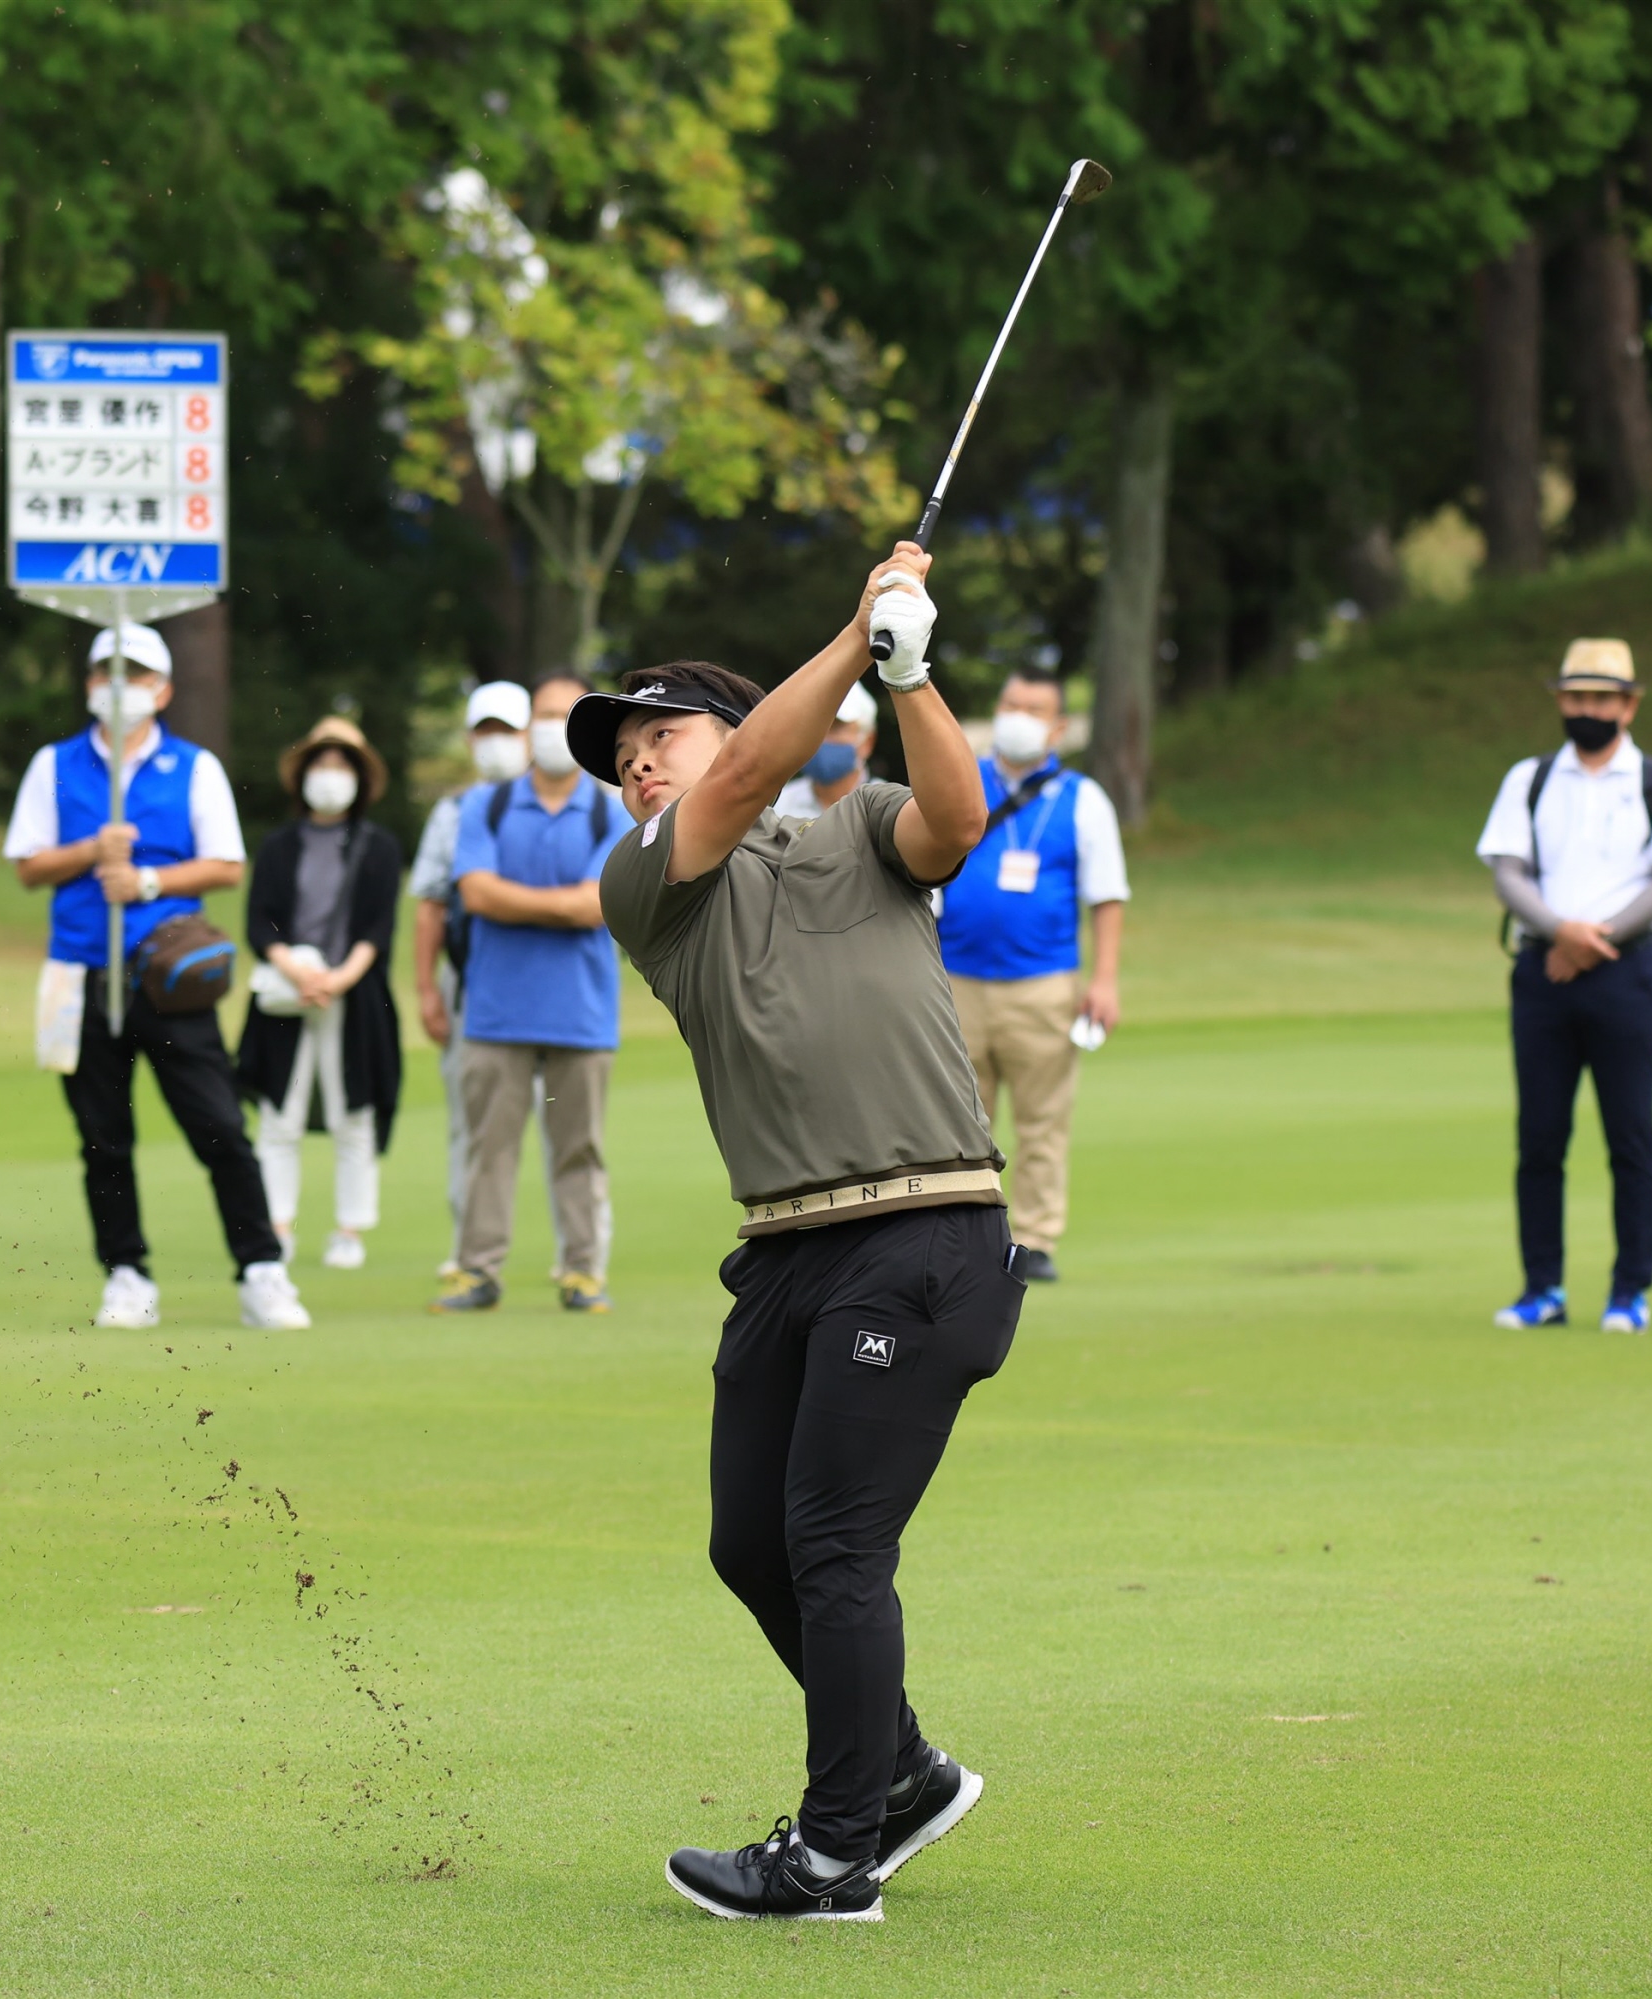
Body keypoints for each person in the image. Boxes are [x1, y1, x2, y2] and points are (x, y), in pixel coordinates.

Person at [573, 543, 1007, 1922]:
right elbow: (753, 772)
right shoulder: (644, 876)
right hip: (783, 1250)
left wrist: (911, 666)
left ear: (731, 718)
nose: (639, 764)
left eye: (664, 734)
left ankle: (833, 1853)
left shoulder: (857, 827)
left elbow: (956, 819)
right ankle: (900, 1774)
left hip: (926, 1228)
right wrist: (853, 630)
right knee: (748, 1544)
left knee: (830, 1542)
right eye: (623, 752)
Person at [5, 623, 309, 1333]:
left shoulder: (192, 766)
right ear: (87, 685)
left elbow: (225, 865)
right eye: (106, 672)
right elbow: (28, 866)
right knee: (103, 1135)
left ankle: (261, 1268)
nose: (120, 686)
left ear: (163, 689)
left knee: (218, 1126)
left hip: (169, 975)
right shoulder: (55, 765)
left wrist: (145, 878)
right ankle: (126, 1272)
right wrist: (90, 850)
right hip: (82, 971)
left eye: (136, 674)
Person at [1475, 638, 1652, 1335]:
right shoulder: (1532, 777)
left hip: (1625, 968)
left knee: (1629, 1134)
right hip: (1543, 967)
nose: (1588, 710)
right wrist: (1560, 930)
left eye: (1601, 698)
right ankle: (1542, 1285)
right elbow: (1508, 870)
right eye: (1576, 698)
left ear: (1629, 705)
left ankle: (1630, 1288)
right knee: (1540, 1135)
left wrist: (1594, 936)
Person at [434, 669, 631, 1314]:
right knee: (487, 1150)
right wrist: (562, 904)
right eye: (541, 715)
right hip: (495, 1008)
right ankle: (476, 1270)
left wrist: (518, 902)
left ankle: (582, 1272)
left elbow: (596, 905)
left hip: (582, 1009)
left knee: (581, 1148)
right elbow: (475, 892)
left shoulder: (610, 806)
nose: (550, 727)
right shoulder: (483, 805)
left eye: (563, 715)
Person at [933, 665, 1128, 1283]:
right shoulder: (962, 779)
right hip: (954, 978)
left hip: (1043, 983)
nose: (1019, 717)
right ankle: (965, 1238)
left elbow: (1106, 894)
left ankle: (1037, 1240)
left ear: (1059, 725)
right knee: (959, 1122)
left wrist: (1105, 980)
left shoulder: (1082, 798)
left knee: (1043, 1119)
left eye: (1034, 708)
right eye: (1011, 704)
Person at [237, 718, 405, 1270]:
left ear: (359, 778)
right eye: (321, 765)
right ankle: (276, 1225)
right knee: (279, 1113)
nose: (330, 777)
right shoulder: (280, 845)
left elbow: (378, 929)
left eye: (341, 767)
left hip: (353, 997)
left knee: (352, 1111)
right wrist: (297, 971)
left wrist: (339, 979)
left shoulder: (379, 847)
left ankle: (349, 1230)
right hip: (287, 993)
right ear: (303, 774)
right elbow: (259, 921)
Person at [409, 680, 532, 1267]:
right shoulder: (453, 811)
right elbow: (431, 903)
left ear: (529, 735)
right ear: (468, 739)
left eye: (506, 731)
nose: (496, 743)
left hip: (552, 982)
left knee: (567, 1129)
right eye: (486, 732)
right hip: (473, 982)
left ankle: (579, 1260)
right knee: (471, 1119)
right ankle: (469, 1249)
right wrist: (427, 989)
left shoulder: (577, 803)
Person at [774, 682, 878, 818]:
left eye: (835, 728)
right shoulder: (778, 807)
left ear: (867, 742)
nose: (822, 739)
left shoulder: (886, 807)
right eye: (815, 726)